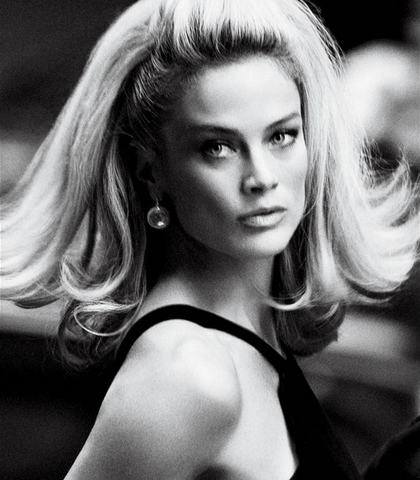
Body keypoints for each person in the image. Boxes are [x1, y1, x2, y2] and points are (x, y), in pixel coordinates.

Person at [1, 0, 418, 478]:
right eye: (217, 147)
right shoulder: (188, 375)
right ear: (150, 170)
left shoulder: (245, 337)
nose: (261, 178)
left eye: (281, 136)